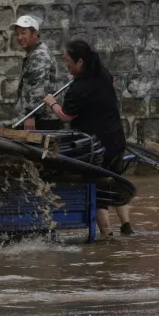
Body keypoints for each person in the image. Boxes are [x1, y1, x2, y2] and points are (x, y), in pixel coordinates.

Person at [42, 40, 135, 238]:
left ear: (80, 62)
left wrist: (52, 103)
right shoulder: (103, 73)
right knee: (116, 181)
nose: (65, 64)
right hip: (117, 138)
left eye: (67, 60)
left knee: (97, 189)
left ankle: (106, 236)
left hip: (95, 147)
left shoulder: (78, 88)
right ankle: (127, 227)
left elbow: (66, 116)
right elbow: (110, 85)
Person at [11, 15, 61, 131]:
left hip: (41, 119)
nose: (19, 37)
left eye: (24, 33)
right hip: (39, 117)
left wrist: (30, 115)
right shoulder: (34, 53)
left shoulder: (39, 55)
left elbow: (38, 88)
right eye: (17, 34)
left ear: (35, 34)